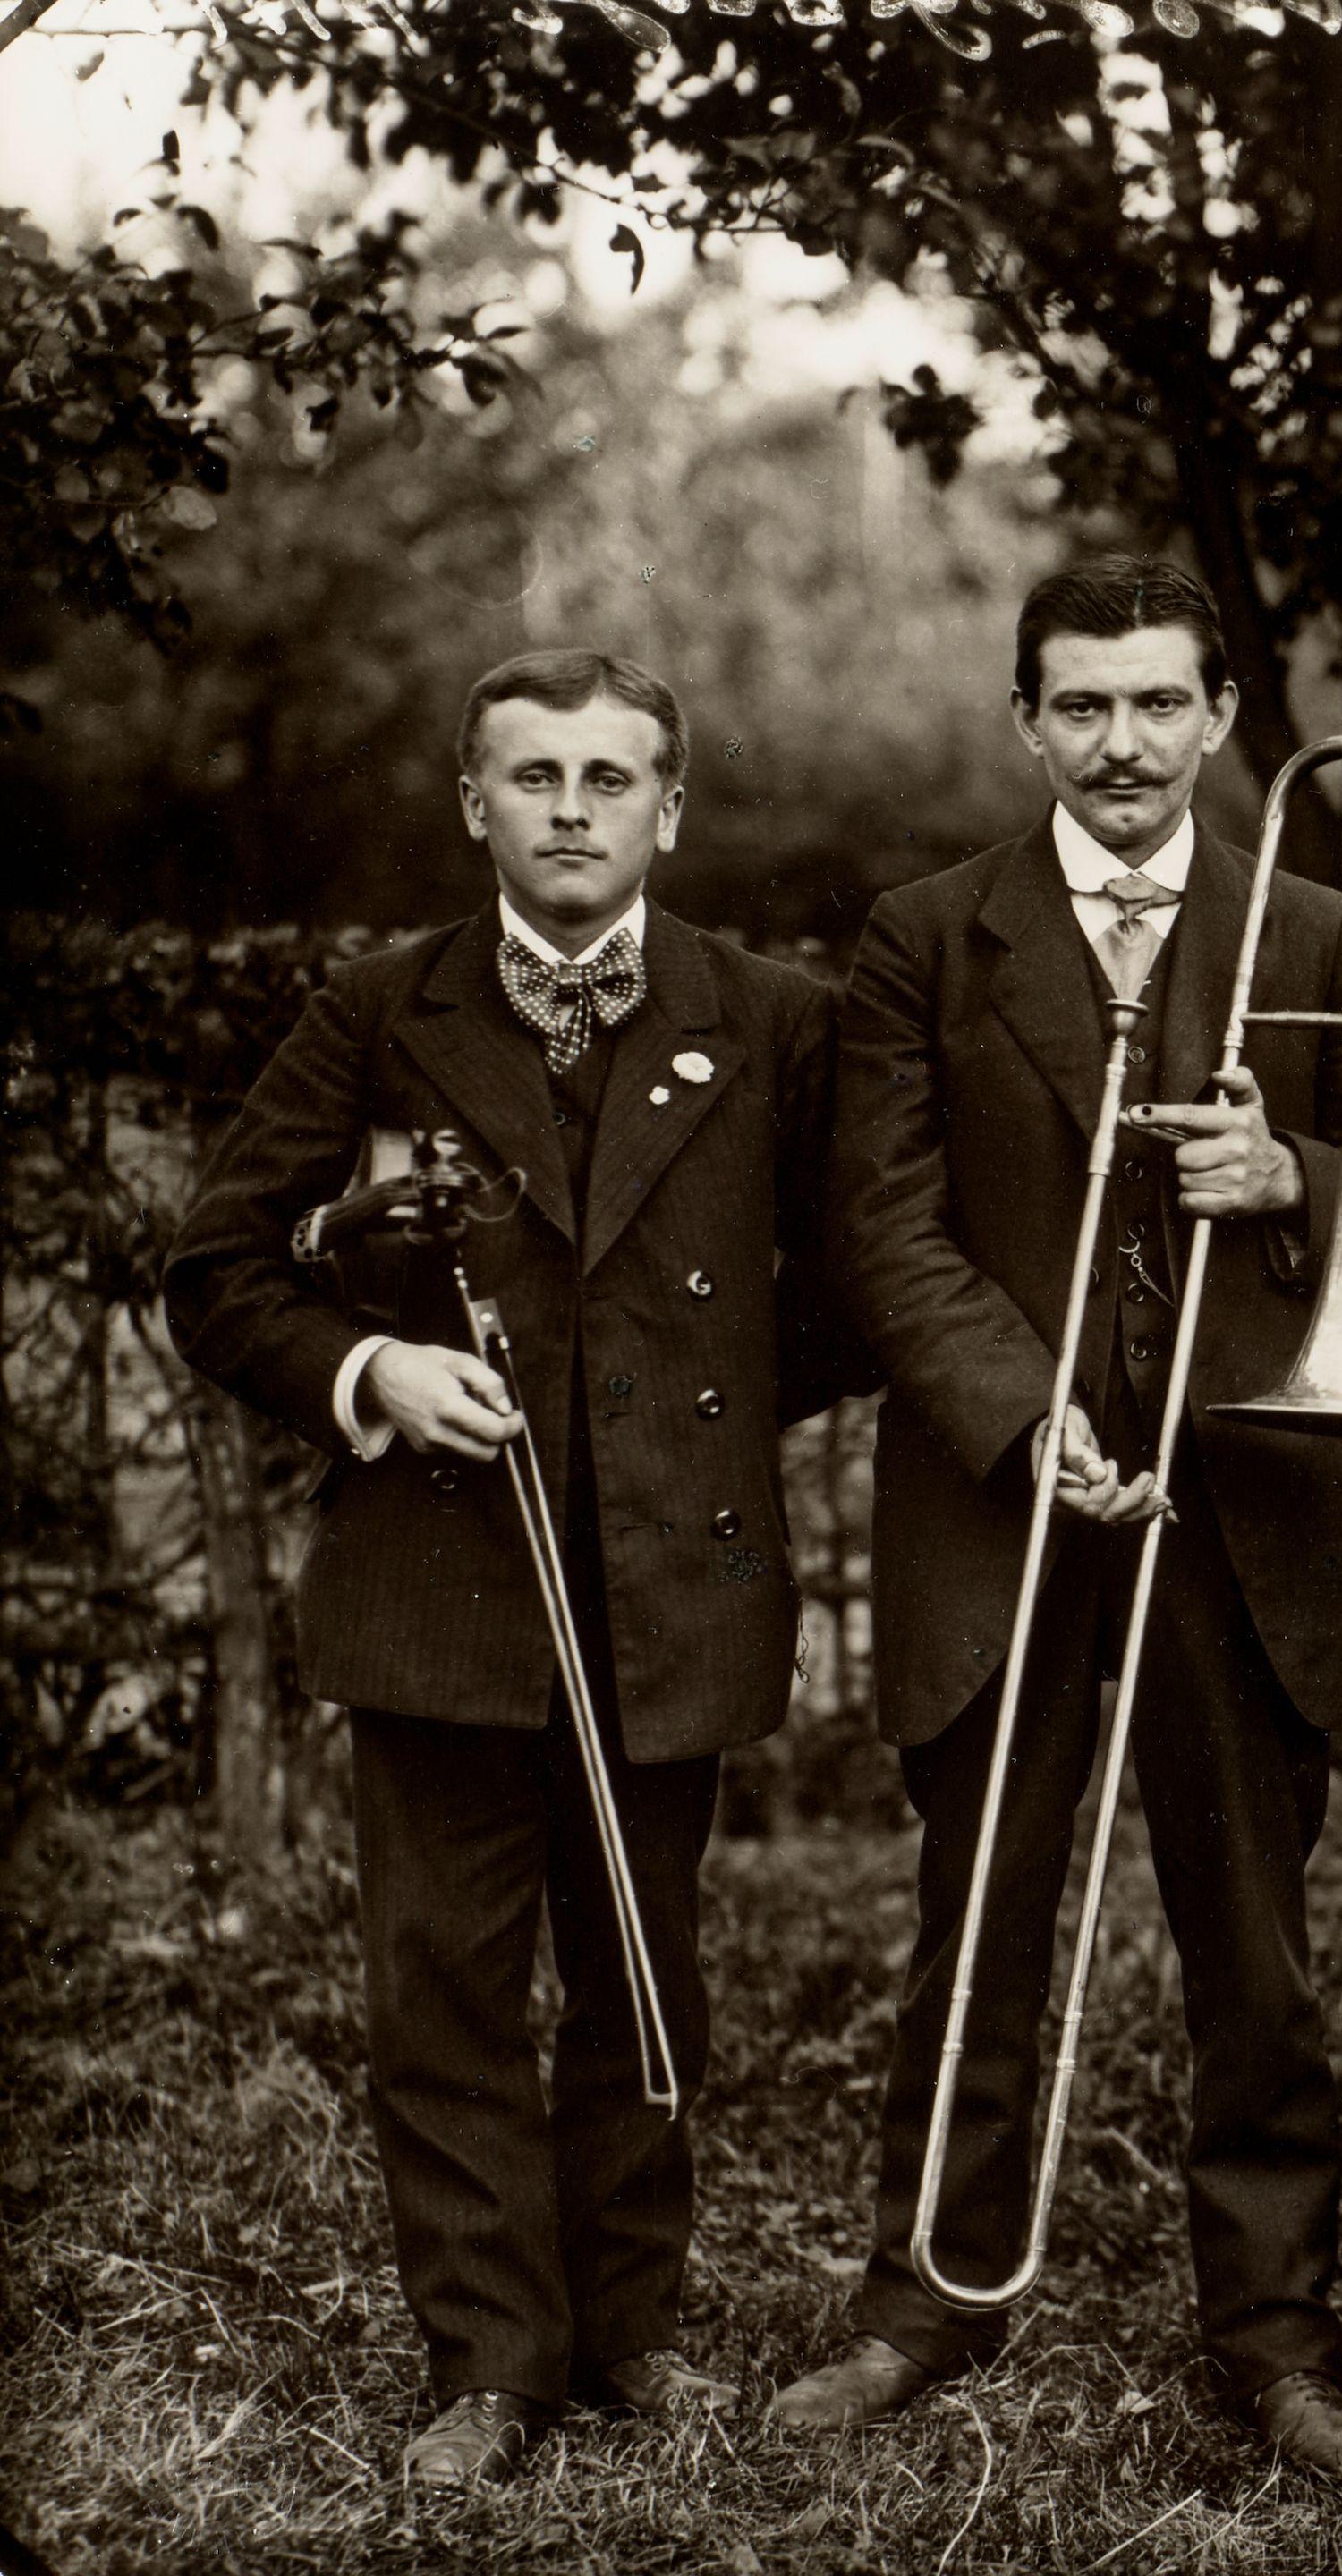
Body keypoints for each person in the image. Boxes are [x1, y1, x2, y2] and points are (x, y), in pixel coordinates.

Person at [765, 555, 1342, 2490]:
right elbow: (879, 1227)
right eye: (1081, 706)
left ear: (1220, 715)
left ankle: (1278, 2339)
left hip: (1243, 1510)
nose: (1122, 743)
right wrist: (1019, 1412)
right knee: (974, 1927)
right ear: (1025, 724)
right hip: (1014, 1509)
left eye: (1158, 703)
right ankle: (927, 2299)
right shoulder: (922, 935)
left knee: (1260, 1955)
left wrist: (1292, 1168)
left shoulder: (1314, 919)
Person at [164, 649, 867, 2488]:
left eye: (611, 777)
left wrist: (678, 1421)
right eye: (534, 776)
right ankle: (488, 2356)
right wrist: (368, 1370)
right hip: (438, 1582)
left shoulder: (771, 1015)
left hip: (669, 1582)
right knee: (448, 1980)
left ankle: (629, 2328)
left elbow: (859, 1287)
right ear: (473, 804)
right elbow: (218, 1267)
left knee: (650, 1974)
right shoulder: (380, 1010)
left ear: (669, 810)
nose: (573, 808)